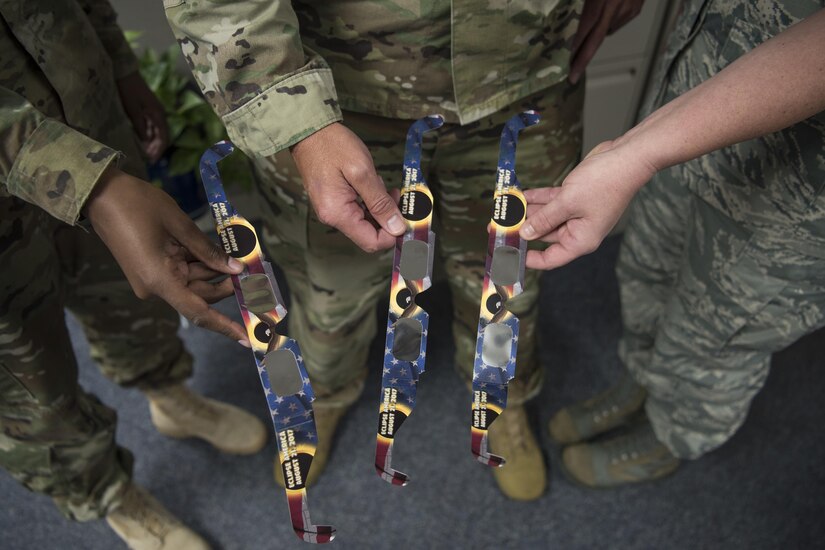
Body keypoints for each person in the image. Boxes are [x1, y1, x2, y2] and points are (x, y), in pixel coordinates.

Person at [163, 0, 645, 500]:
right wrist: (293, 117)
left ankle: (501, 395)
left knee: (508, 276)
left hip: (525, 75)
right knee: (331, 292)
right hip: (334, 94)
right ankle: (323, 396)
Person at [520, 2, 825, 487]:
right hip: (693, 96)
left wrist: (634, 155)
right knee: (648, 269)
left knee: (719, 332)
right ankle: (640, 383)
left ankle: (674, 434)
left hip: (800, 191)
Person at [0, 1, 268, 547]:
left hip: (85, 114)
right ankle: (111, 495)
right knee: (29, 387)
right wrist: (90, 183)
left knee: (132, 295)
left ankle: (169, 396)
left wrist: (119, 66)